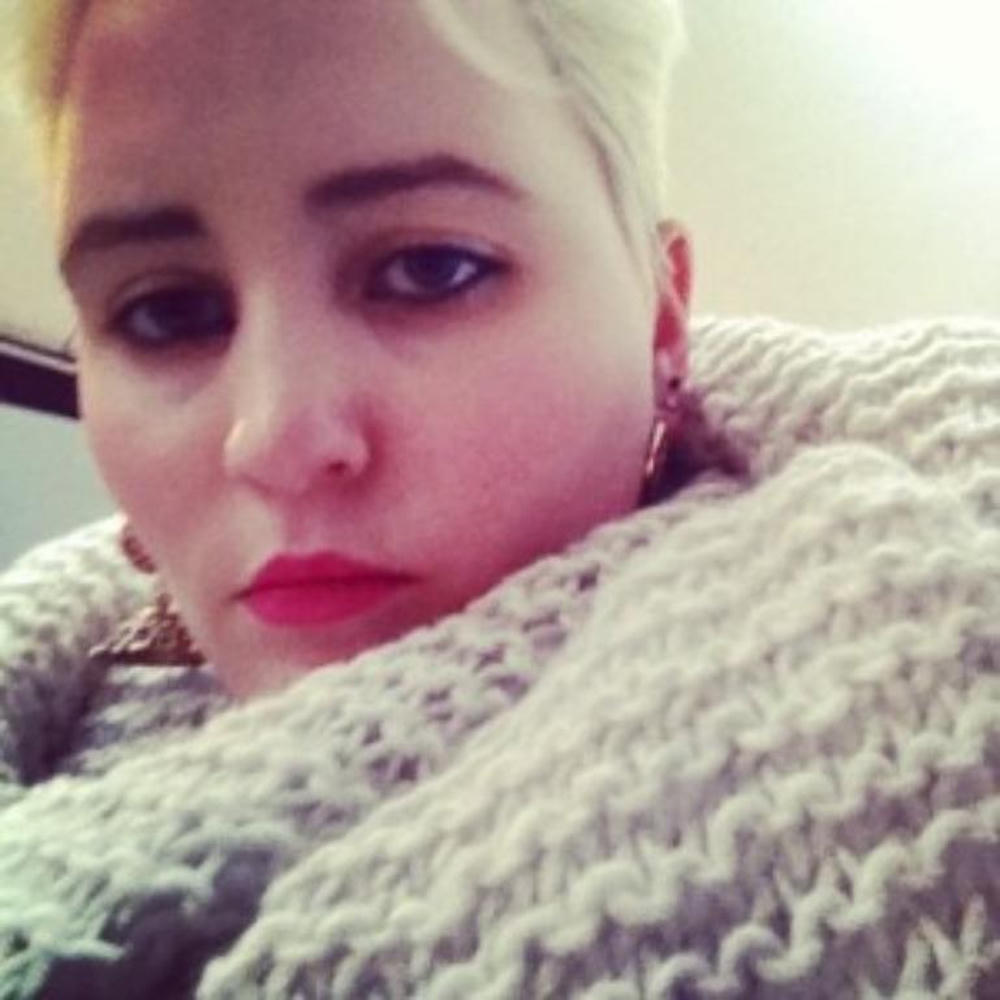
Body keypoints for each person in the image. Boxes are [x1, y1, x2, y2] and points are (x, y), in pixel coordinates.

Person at [1, 1, 998, 997]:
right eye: (166, 312)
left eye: (429, 269)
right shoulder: (59, 678)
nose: (273, 441)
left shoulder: (928, 657)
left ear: (660, 318)